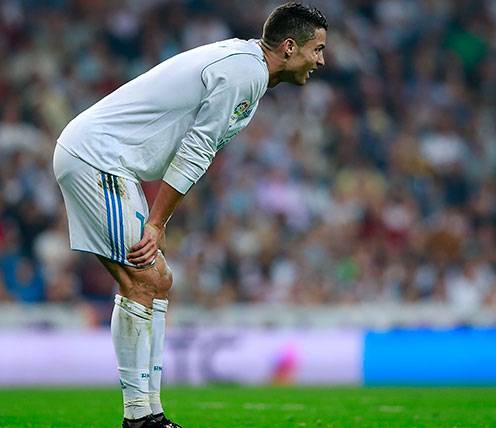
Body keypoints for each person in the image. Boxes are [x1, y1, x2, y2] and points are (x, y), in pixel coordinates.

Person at [52, 3, 327, 427]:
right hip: (98, 157)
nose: (322, 60)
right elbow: (196, 149)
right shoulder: (245, 73)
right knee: (141, 277)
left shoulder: (247, 68)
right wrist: (158, 223)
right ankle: (140, 417)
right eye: (317, 49)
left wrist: (160, 219)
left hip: (110, 160)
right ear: (290, 47)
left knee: (158, 279)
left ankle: (149, 414)